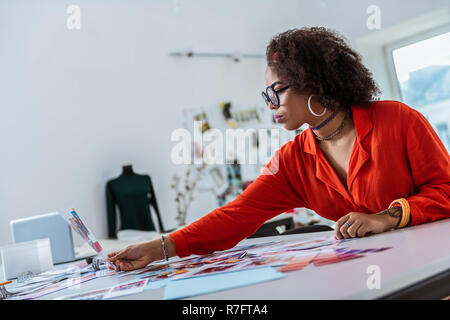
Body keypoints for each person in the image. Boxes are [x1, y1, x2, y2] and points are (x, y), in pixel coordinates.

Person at [108, 27, 450, 272]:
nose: (271, 103)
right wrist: (159, 248)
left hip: (434, 270)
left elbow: (446, 190)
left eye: (277, 91)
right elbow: (235, 216)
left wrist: (385, 218)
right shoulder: (291, 160)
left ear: (314, 84)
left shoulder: (397, 119)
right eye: (266, 95)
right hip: (374, 275)